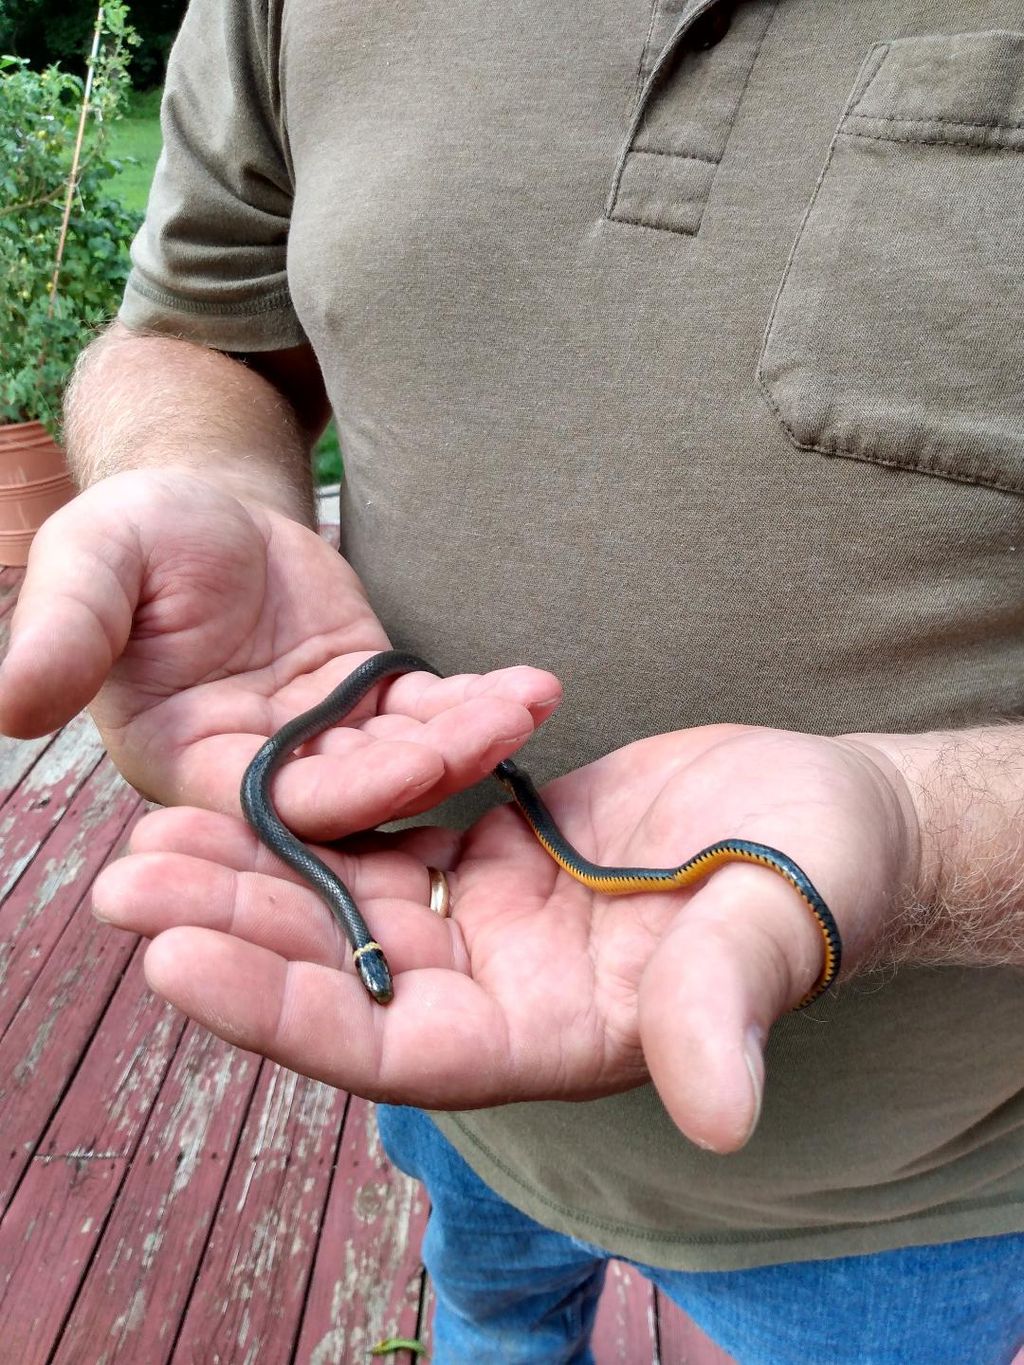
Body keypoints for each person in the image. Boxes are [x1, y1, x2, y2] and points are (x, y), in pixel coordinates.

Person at [2, 1, 1024, 1359]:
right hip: (445, 1010)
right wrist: (186, 473)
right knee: (488, 1311)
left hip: (905, 1193)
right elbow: (197, 329)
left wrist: (923, 836)